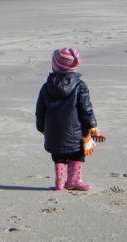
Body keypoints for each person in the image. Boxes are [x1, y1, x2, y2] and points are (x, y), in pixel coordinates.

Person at [36, 48, 106, 191]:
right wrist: (92, 126)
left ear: (54, 65)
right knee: (77, 154)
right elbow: (86, 109)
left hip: (53, 132)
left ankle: (60, 183)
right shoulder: (80, 86)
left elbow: (40, 110)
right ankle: (73, 181)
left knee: (59, 156)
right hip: (75, 132)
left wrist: (41, 127)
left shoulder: (46, 87)